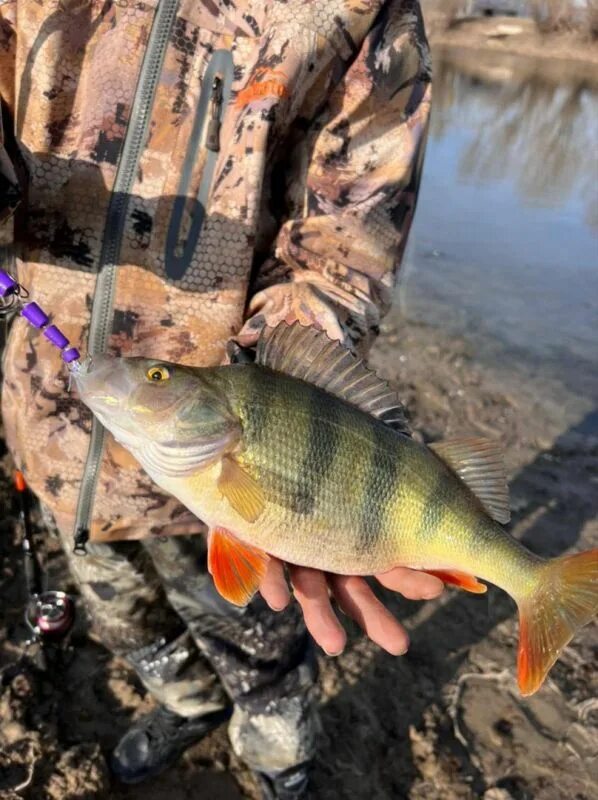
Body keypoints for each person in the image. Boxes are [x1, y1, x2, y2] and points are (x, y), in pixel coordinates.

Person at [0, 0, 442, 797]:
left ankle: (281, 758)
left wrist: (304, 378)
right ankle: (186, 701)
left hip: (236, 468)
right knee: (121, 613)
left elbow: (347, 243)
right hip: (51, 423)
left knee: (265, 642)